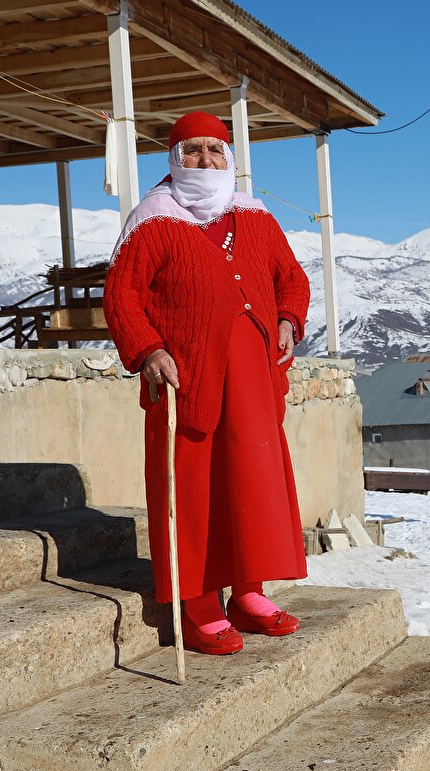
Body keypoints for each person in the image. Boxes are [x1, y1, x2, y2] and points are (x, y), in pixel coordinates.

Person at [103, 112, 310, 656]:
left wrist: (289, 316)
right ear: (173, 160)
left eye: (215, 151)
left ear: (230, 159)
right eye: (191, 151)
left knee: (250, 480)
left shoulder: (255, 217)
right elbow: (121, 297)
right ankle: (196, 605)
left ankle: (248, 592)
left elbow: (291, 277)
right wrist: (148, 350)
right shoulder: (152, 219)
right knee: (190, 490)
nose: (204, 161)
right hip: (186, 378)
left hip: (252, 379)